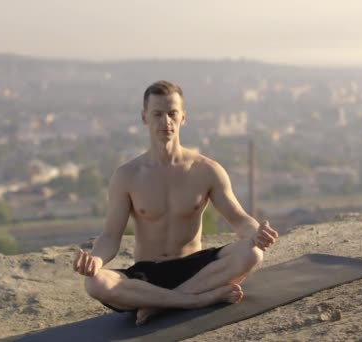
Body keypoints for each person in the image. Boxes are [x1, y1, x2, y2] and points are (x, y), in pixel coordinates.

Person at [73, 80, 278, 325]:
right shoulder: (127, 176)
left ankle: (160, 304)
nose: (165, 121)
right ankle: (194, 300)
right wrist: (96, 261)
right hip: (148, 275)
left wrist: (257, 233)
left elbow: (239, 218)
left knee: (252, 253)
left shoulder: (207, 170)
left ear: (183, 117)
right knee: (95, 282)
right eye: (157, 114)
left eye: (172, 113)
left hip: (196, 269)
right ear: (144, 118)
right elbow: (110, 236)